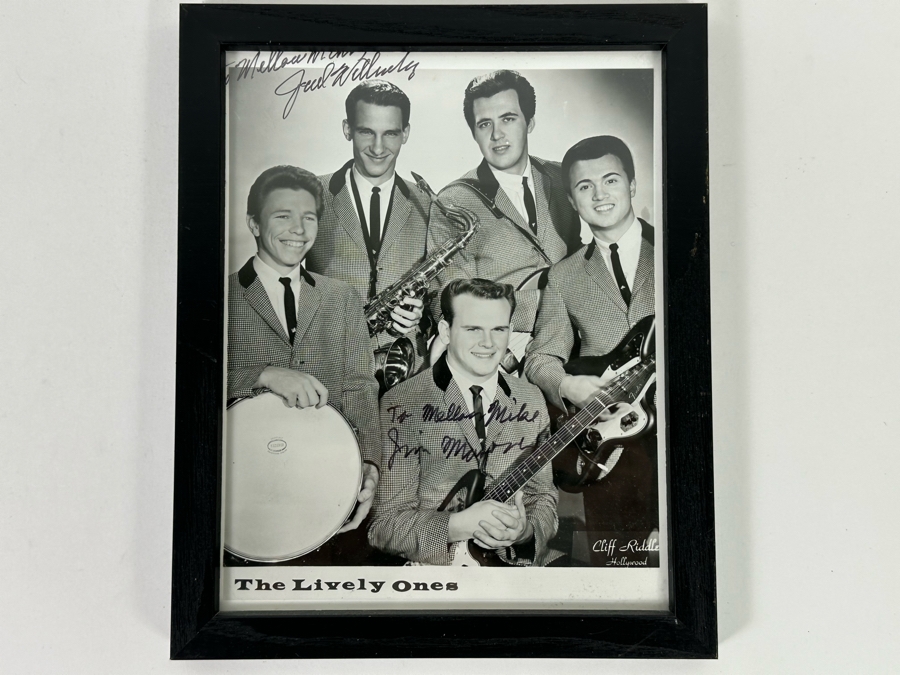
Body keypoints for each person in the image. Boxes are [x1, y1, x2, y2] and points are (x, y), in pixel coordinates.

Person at [227, 165, 381, 565]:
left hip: (325, 494)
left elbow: (360, 387)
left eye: (308, 217)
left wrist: (370, 464)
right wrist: (262, 375)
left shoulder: (342, 299)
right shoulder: (217, 296)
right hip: (244, 498)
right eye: (282, 216)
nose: (298, 229)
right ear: (254, 224)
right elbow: (182, 387)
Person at [524, 136, 657, 562]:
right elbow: (540, 358)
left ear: (633, 185)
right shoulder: (562, 277)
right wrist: (568, 384)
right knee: (618, 566)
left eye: (611, 180)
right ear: (572, 199)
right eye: (585, 187)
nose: (599, 195)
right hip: (614, 449)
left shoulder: (685, 249)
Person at [369, 278, 560, 566]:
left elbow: (543, 497)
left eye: (499, 329)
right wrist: (457, 525)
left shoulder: (531, 397)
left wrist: (525, 533)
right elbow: (384, 527)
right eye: (473, 329)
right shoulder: (401, 402)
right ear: (446, 331)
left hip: (514, 572)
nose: (488, 343)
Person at [427, 70, 581, 367]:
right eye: (485, 124)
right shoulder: (454, 201)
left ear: (530, 122)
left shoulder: (563, 177)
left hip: (576, 336)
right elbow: (447, 298)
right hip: (506, 351)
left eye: (508, 119)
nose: (497, 135)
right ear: (473, 132)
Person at [307, 80, 433, 376]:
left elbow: (439, 297)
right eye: (366, 131)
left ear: (406, 133)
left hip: (404, 369)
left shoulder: (428, 203)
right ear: (347, 129)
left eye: (390, 133)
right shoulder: (311, 194)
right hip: (327, 362)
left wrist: (420, 315)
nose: (378, 148)